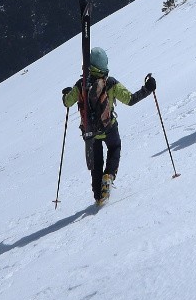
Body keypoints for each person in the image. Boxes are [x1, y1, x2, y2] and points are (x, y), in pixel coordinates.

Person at [62, 46, 155, 205]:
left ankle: (98, 195)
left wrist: (67, 93)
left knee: (96, 163)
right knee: (115, 148)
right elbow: (130, 99)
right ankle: (109, 175)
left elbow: (67, 102)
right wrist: (148, 88)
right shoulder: (110, 82)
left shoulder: (81, 84)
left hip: (90, 132)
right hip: (109, 127)